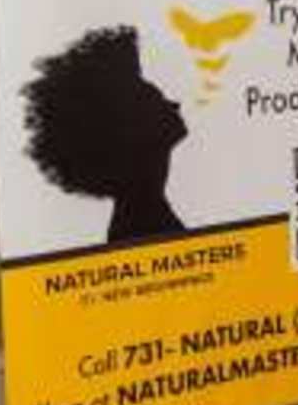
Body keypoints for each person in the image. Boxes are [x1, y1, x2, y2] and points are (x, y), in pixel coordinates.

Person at [19, 23, 189, 244]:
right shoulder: (143, 224)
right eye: (155, 99)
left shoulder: (141, 216)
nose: (175, 104)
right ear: (130, 127)